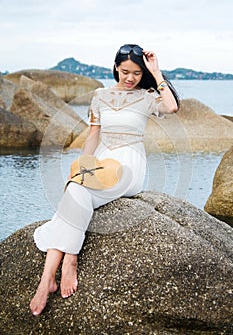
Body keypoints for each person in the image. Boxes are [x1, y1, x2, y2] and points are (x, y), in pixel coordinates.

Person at [30, 44, 180, 316]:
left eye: (136, 73)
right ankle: (47, 279)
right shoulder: (100, 96)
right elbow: (92, 136)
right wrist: (81, 165)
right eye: (125, 71)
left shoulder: (147, 96)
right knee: (76, 189)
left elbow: (172, 107)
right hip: (100, 162)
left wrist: (156, 73)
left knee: (77, 191)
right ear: (115, 69)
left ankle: (69, 260)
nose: (130, 78)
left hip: (129, 165)